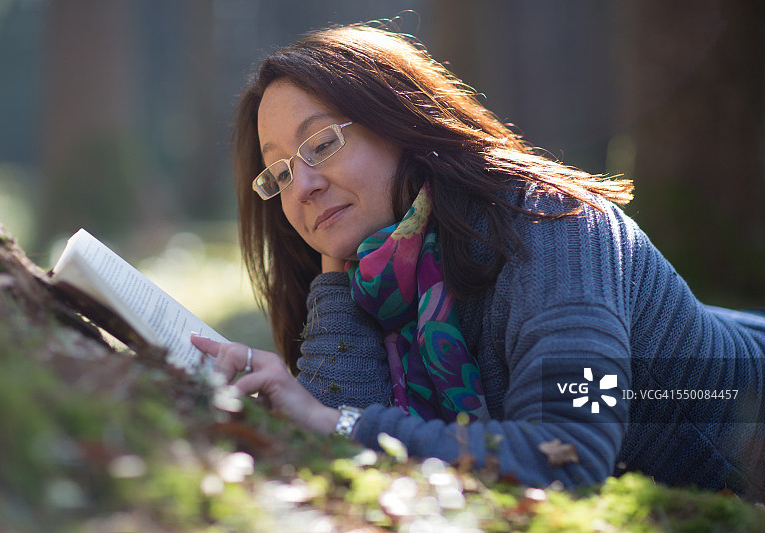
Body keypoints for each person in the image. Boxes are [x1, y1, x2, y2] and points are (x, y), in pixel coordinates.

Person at [191, 22, 765, 498]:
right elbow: (339, 458)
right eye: (282, 171)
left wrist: (332, 421)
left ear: (402, 124)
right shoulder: (372, 280)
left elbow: (566, 455)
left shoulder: (553, 228)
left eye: (321, 144)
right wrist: (335, 285)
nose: (302, 187)